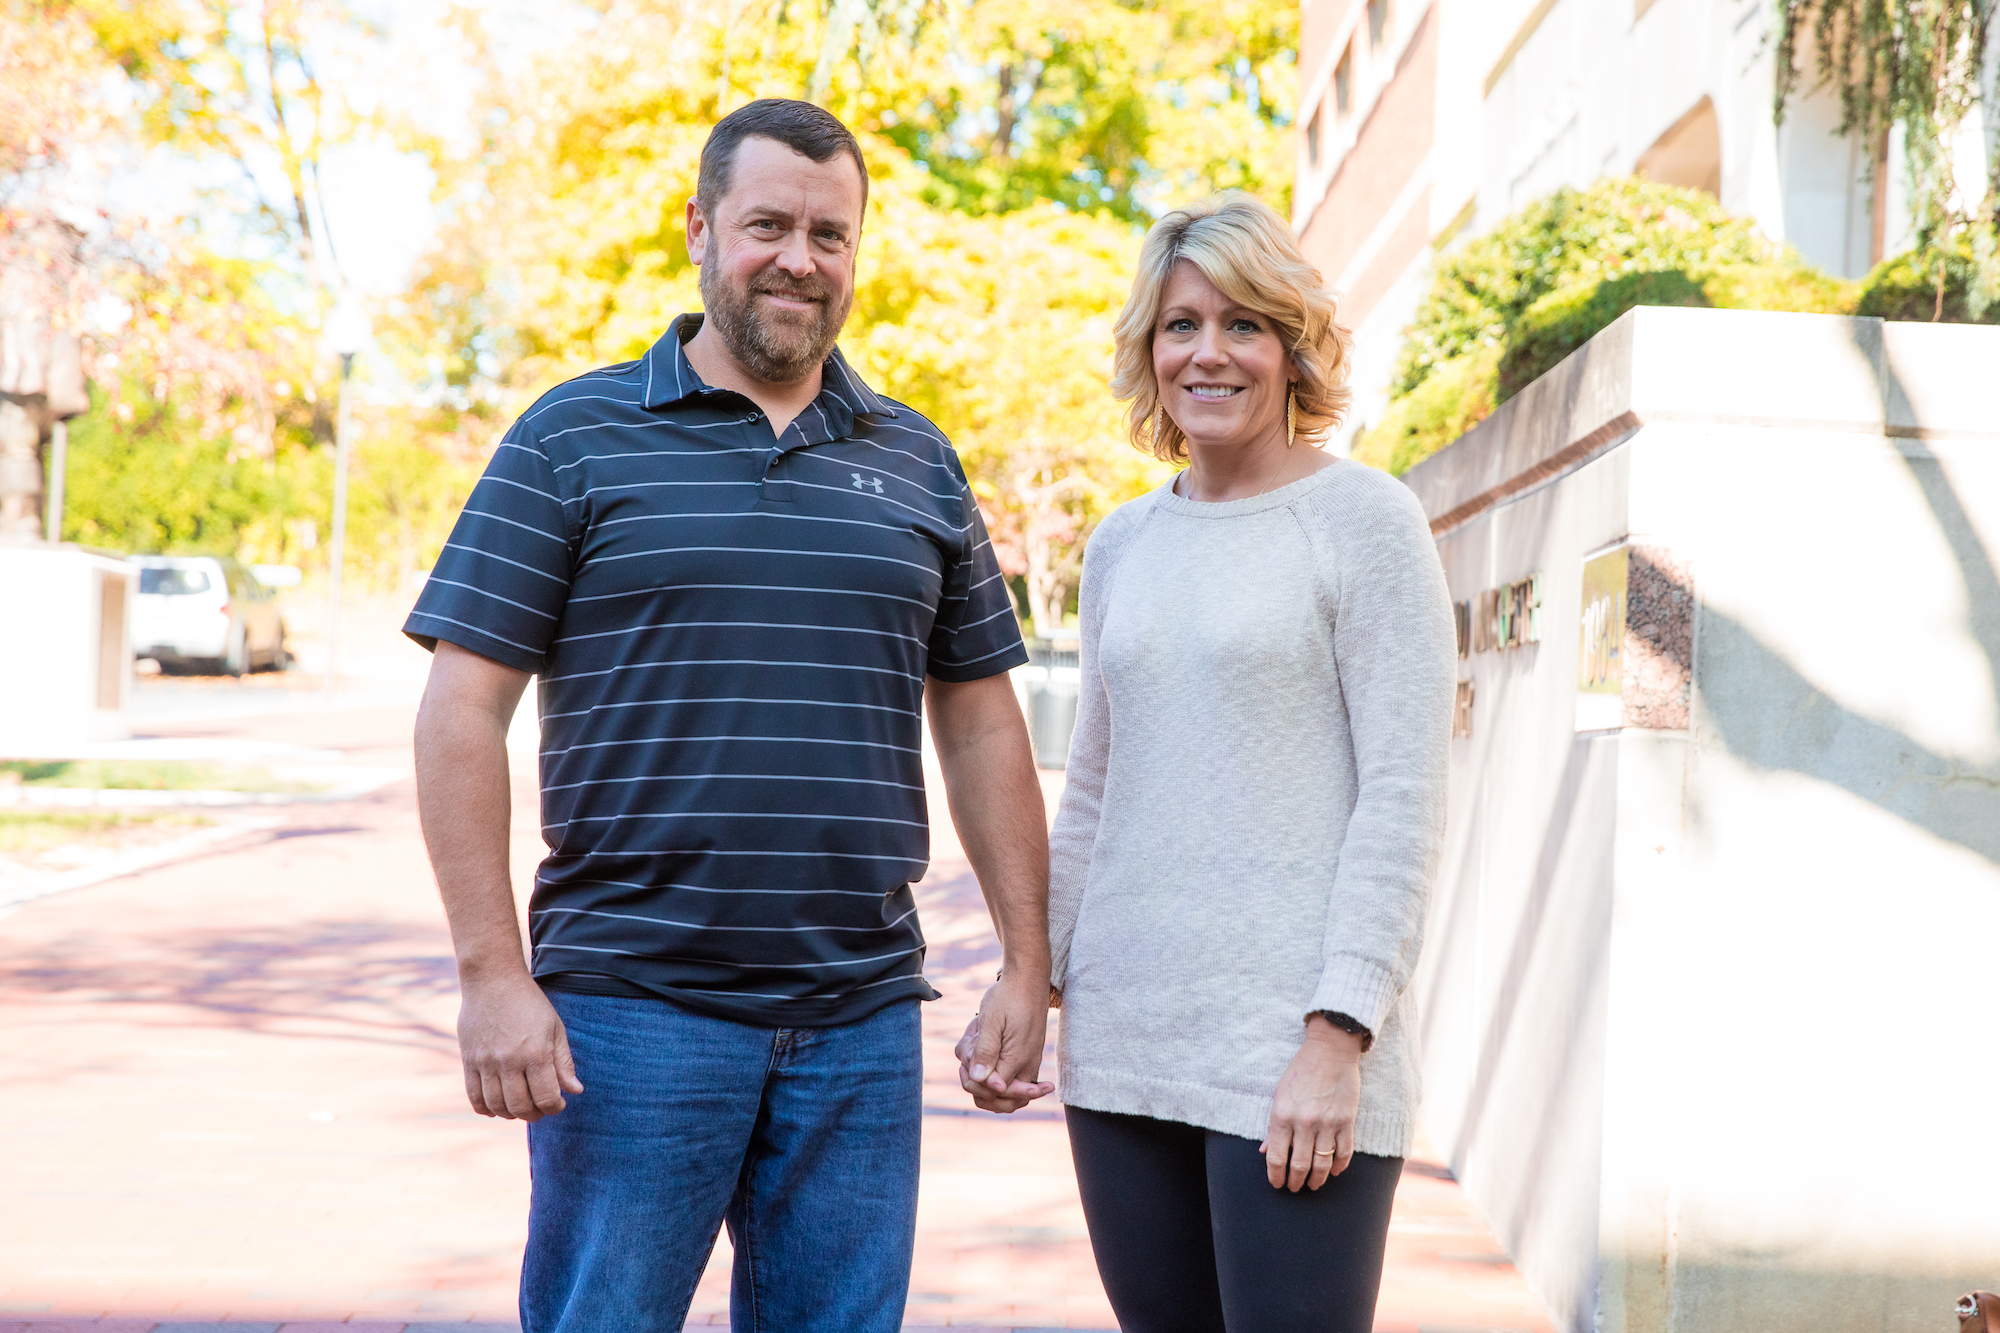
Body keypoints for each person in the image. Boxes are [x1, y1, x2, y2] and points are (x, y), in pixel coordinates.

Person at [407, 98, 1054, 1333]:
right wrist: (491, 974)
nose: (799, 260)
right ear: (700, 227)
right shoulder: (571, 436)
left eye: (830, 233)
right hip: (630, 1015)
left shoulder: (916, 460)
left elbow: (978, 724)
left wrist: (1027, 963)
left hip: (861, 1021)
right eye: (767, 225)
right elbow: (458, 711)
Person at [958, 192, 1455, 1332]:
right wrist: (1031, 977)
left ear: (1291, 346)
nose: (1208, 351)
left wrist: (1339, 1035)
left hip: (1290, 1047)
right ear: (1148, 349)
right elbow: (1090, 789)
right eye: (1180, 324)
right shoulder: (1125, 541)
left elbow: (1404, 797)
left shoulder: (1365, 522)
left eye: (1243, 324)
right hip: (1126, 1037)